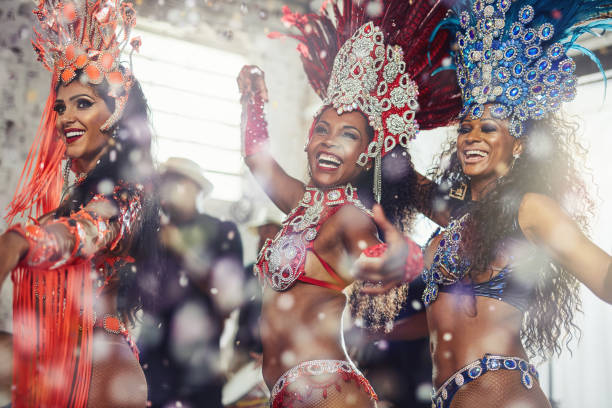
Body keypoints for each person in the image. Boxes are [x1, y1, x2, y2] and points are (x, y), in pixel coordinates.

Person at [357, 1, 612, 407]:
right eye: (466, 127)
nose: (472, 136)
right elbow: (397, 171)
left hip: (501, 394)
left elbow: (603, 276)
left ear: (519, 145)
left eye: (489, 128)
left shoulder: (531, 209)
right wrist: (378, 106)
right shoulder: (455, 216)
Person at [237, 1, 461, 406]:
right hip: (292, 390)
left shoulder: (349, 217)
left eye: (348, 135)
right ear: (308, 140)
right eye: (322, 129)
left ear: (367, 155)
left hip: (325, 391)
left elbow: (372, 257)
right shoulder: (301, 205)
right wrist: (252, 100)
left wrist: (399, 259)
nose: (329, 140)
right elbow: (258, 160)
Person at [0, 1, 159, 406]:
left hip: (102, 377)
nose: (66, 117)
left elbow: (86, 231)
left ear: (117, 110)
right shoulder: (67, 203)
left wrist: (20, 241)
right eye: (60, 106)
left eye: (83, 103)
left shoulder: (130, 194)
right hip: (57, 367)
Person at [138, 157, 243, 408]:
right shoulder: (154, 234)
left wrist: (181, 249)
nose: (167, 189)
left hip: (199, 365)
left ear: (196, 187)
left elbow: (228, 299)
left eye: (176, 182)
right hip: (151, 362)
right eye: (163, 183)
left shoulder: (221, 231)